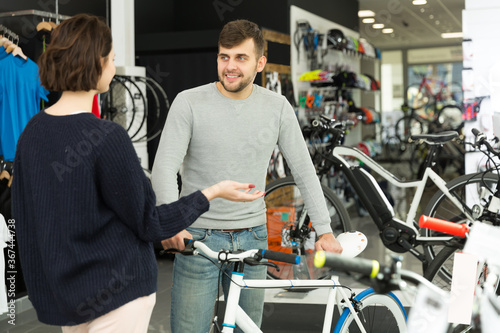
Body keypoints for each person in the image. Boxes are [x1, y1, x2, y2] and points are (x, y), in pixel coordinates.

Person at [11, 14, 264, 332]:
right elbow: (151, 223)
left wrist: (45, 293)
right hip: (119, 292)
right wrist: (211, 193)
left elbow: (26, 220)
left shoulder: (32, 132)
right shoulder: (106, 137)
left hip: (66, 297)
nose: (114, 68)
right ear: (96, 63)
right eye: (112, 59)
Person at [151, 19, 343, 333]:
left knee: (248, 329)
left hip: (252, 238)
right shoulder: (189, 102)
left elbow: (304, 169)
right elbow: (164, 168)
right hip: (197, 239)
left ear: (260, 63)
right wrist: (171, 220)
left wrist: (324, 230)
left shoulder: (277, 107)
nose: (230, 66)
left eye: (241, 58)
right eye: (224, 56)